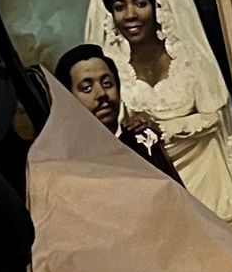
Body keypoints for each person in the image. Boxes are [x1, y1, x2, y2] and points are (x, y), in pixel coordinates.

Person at [88, 0, 232, 220]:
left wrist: (158, 128)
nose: (130, 14)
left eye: (140, 3)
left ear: (157, 6)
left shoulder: (188, 58)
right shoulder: (112, 70)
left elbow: (216, 117)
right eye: (120, 6)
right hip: (155, 180)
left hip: (209, 171)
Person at [52, 43, 182, 180]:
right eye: (87, 88)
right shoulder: (68, 164)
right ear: (68, 100)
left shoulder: (141, 140)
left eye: (107, 83)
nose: (101, 93)